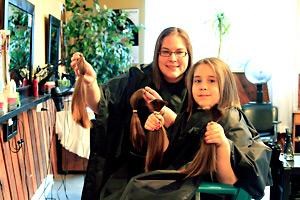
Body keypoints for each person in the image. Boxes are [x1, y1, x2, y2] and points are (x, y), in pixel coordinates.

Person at [70, 27, 193, 199]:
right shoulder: (137, 78)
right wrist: (90, 83)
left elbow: (197, 136)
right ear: (157, 54)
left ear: (189, 55)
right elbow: (101, 104)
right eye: (165, 52)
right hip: (132, 168)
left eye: (180, 52)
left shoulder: (198, 86)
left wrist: (167, 115)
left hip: (177, 172)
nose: (173, 58)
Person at [143, 57, 273, 199]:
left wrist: (222, 145)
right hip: (183, 188)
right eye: (197, 80)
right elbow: (173, 155)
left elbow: (231, 184)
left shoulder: (231, 119)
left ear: (226, 86)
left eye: (212, 81)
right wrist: (157, 127)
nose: (203, 86)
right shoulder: (191, 116)